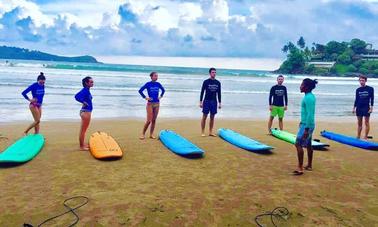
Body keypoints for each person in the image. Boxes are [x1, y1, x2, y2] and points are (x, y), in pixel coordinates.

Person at [294, 78, 317, 175]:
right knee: (308, 144)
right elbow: (306, 113)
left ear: (306, 87)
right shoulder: (309, 96)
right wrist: (302, 121)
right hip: (306, 123)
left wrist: (306, 129)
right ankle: (309, 165)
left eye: (302, 85)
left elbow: (310, 114)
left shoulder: (308, 98)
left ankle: (300, 168)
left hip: (307, 125)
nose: (300, 86)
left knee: (298, 144)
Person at [138, 72, 165, 139]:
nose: (156, 77)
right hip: (150, 104)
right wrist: (145, 97)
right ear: (151, 77)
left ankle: (151, 134)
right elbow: (140, 91)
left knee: (154, 120)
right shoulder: (148, 84)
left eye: (157, 76)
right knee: (149, 120)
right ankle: (143, 134)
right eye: (155, 76)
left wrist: (161, 96)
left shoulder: (158, 84)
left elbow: (163, 90)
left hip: (157, 104)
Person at [200, 67, 221, 137]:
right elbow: (202, 92)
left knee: (212, 117)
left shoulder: (218, 83)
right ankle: (202, 132)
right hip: (206, 101)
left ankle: (210, 132)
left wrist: (220, 103)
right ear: (210, 73)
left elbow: (219, 93)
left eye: (215, 72)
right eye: (212, 72)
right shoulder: (206, 82)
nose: (214, 73)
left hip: (214, 101)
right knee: (204, 116)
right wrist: (200, 101)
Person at [75, 76, 94, 150]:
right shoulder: (85, 90)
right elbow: (76, 96)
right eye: (91, 82)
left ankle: (82, 144)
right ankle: (81, 146)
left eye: (92, 82)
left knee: (83, 130)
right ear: (86, 83)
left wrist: (84, 102)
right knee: (83, 130)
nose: (92, 83)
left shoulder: (87, 90)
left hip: (86, 111)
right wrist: (83, 102)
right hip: (86, 112)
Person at [353, 75, 374, 140]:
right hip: (359, 107)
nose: (361, 82)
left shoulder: (370, 89)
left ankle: (365, 137)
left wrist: (371, 108)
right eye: (360, 80)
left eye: (363, 80)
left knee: (366, 122)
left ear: (365, 81)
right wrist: (354, 108)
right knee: (359, 123)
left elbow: (372, 98)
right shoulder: (358, 90)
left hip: (366, 107)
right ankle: (358, 136)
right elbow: (356, 99)